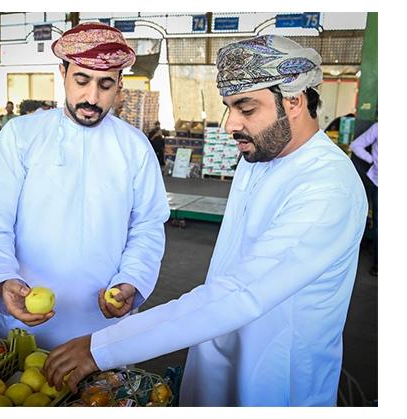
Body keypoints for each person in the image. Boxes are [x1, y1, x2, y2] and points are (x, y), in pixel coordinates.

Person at [42, 35, 369, 407]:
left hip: (276, 375)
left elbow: (242, 293)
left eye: (246, 108)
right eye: (229, 107)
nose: (231, 124)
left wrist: (102, 346)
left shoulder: (327, 188)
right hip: (217, 347)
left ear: (293, 101)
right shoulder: (262, 155)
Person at [0, 23, 170, 351]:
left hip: (104, 326)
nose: (92, 97)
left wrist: (132, 280)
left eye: (105, 84)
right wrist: (2, 277)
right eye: (82, 80)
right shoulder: (20, 137)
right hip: (27, 322)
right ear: (62, 73)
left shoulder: (134, 147)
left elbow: (147, 225)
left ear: (120, 85)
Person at [350, 122, 378, 276]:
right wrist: (372, 160)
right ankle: (378, 264)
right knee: (379, 225)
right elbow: (356, 145)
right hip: (378, 182)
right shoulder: (379, 127)